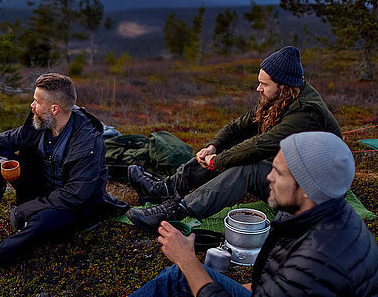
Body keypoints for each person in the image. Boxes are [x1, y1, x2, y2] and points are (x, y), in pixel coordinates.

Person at [36, 131, 378, 297]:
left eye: (279, 173)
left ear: (306, 187)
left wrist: (189, 261)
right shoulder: (316, 215)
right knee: (181, 282)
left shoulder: (319, 261)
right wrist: (223, 281)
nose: (268, 178)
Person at [0, 73, 128, 290]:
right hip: (42, 189)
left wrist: (26, 209)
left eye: (37, 101)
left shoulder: (87, 141)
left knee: (40, 224)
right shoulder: (40, 123)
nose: (32, 105)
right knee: (2, 160)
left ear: (55, 109)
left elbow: (76, 194)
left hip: (76, 207)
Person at [126, 46, 342, 231]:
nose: (259, 88)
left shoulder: (306, 113)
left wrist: (217, 162)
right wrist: (213, 147)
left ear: (282, 86)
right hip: (293, 175)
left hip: (314, 194)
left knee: (247, 168)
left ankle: (177, 211)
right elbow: (240, 126)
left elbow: (259, 146)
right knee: (230, 149)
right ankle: (167, 188)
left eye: (264, 84)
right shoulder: (284, 96)